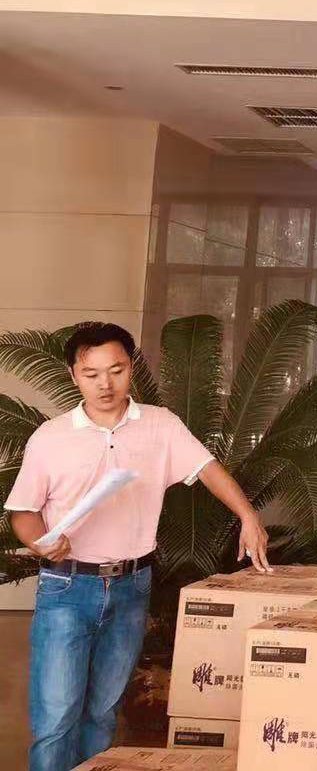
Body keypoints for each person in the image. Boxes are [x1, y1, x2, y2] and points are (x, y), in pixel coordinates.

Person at [5, 322, 272, 771]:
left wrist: (248, 515)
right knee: (56, 719)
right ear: (73, 375)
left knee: (103, 714)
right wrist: (41, 541)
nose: (105, 384)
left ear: (131, 367)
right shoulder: (50, 437)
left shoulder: (160, 425)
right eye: (91, 374)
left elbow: (208, 469)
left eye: (117, 370)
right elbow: (23, 512)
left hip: (132, 586)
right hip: (67, 587)